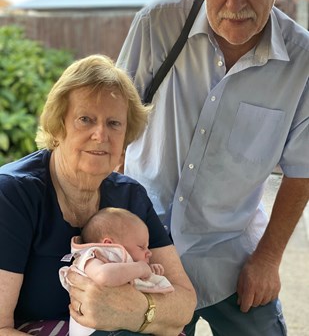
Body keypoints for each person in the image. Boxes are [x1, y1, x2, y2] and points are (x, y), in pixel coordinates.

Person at [116, 0, 309, 335]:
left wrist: (268, 260)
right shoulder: (157, 25)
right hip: (143, 253)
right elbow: (113, 126)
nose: (234, 1)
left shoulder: (303, 62)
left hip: (232, 260)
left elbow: (302, 168)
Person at [0, 54, 196, 336]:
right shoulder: (12, 195)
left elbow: (185, 303)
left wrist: (137, 311)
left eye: (114, 123)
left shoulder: (131, 198)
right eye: (85, 119)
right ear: (59, 126)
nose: (101, 134)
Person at [60, 207, 174, 336]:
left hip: (123, 325)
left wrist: (150, 273)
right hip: (95, 330)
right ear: (109, 243)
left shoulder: (127, 265)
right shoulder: (91, 257)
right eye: (141, 246)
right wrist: (140, 268)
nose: (149, 252)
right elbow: (103, 276)